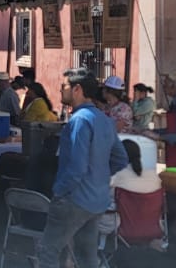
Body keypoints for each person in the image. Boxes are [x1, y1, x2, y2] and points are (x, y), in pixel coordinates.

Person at [36, 69, 128, 268]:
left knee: (49, 251)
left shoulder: (79, 120)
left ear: (77, 89)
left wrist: (60, 191)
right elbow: (121, 159)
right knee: (87, 257)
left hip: (74, 199)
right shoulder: (104, 119)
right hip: (96, 199)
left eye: (64, 87)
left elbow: (77, 167)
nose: (61, 92)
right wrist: (99, 175)